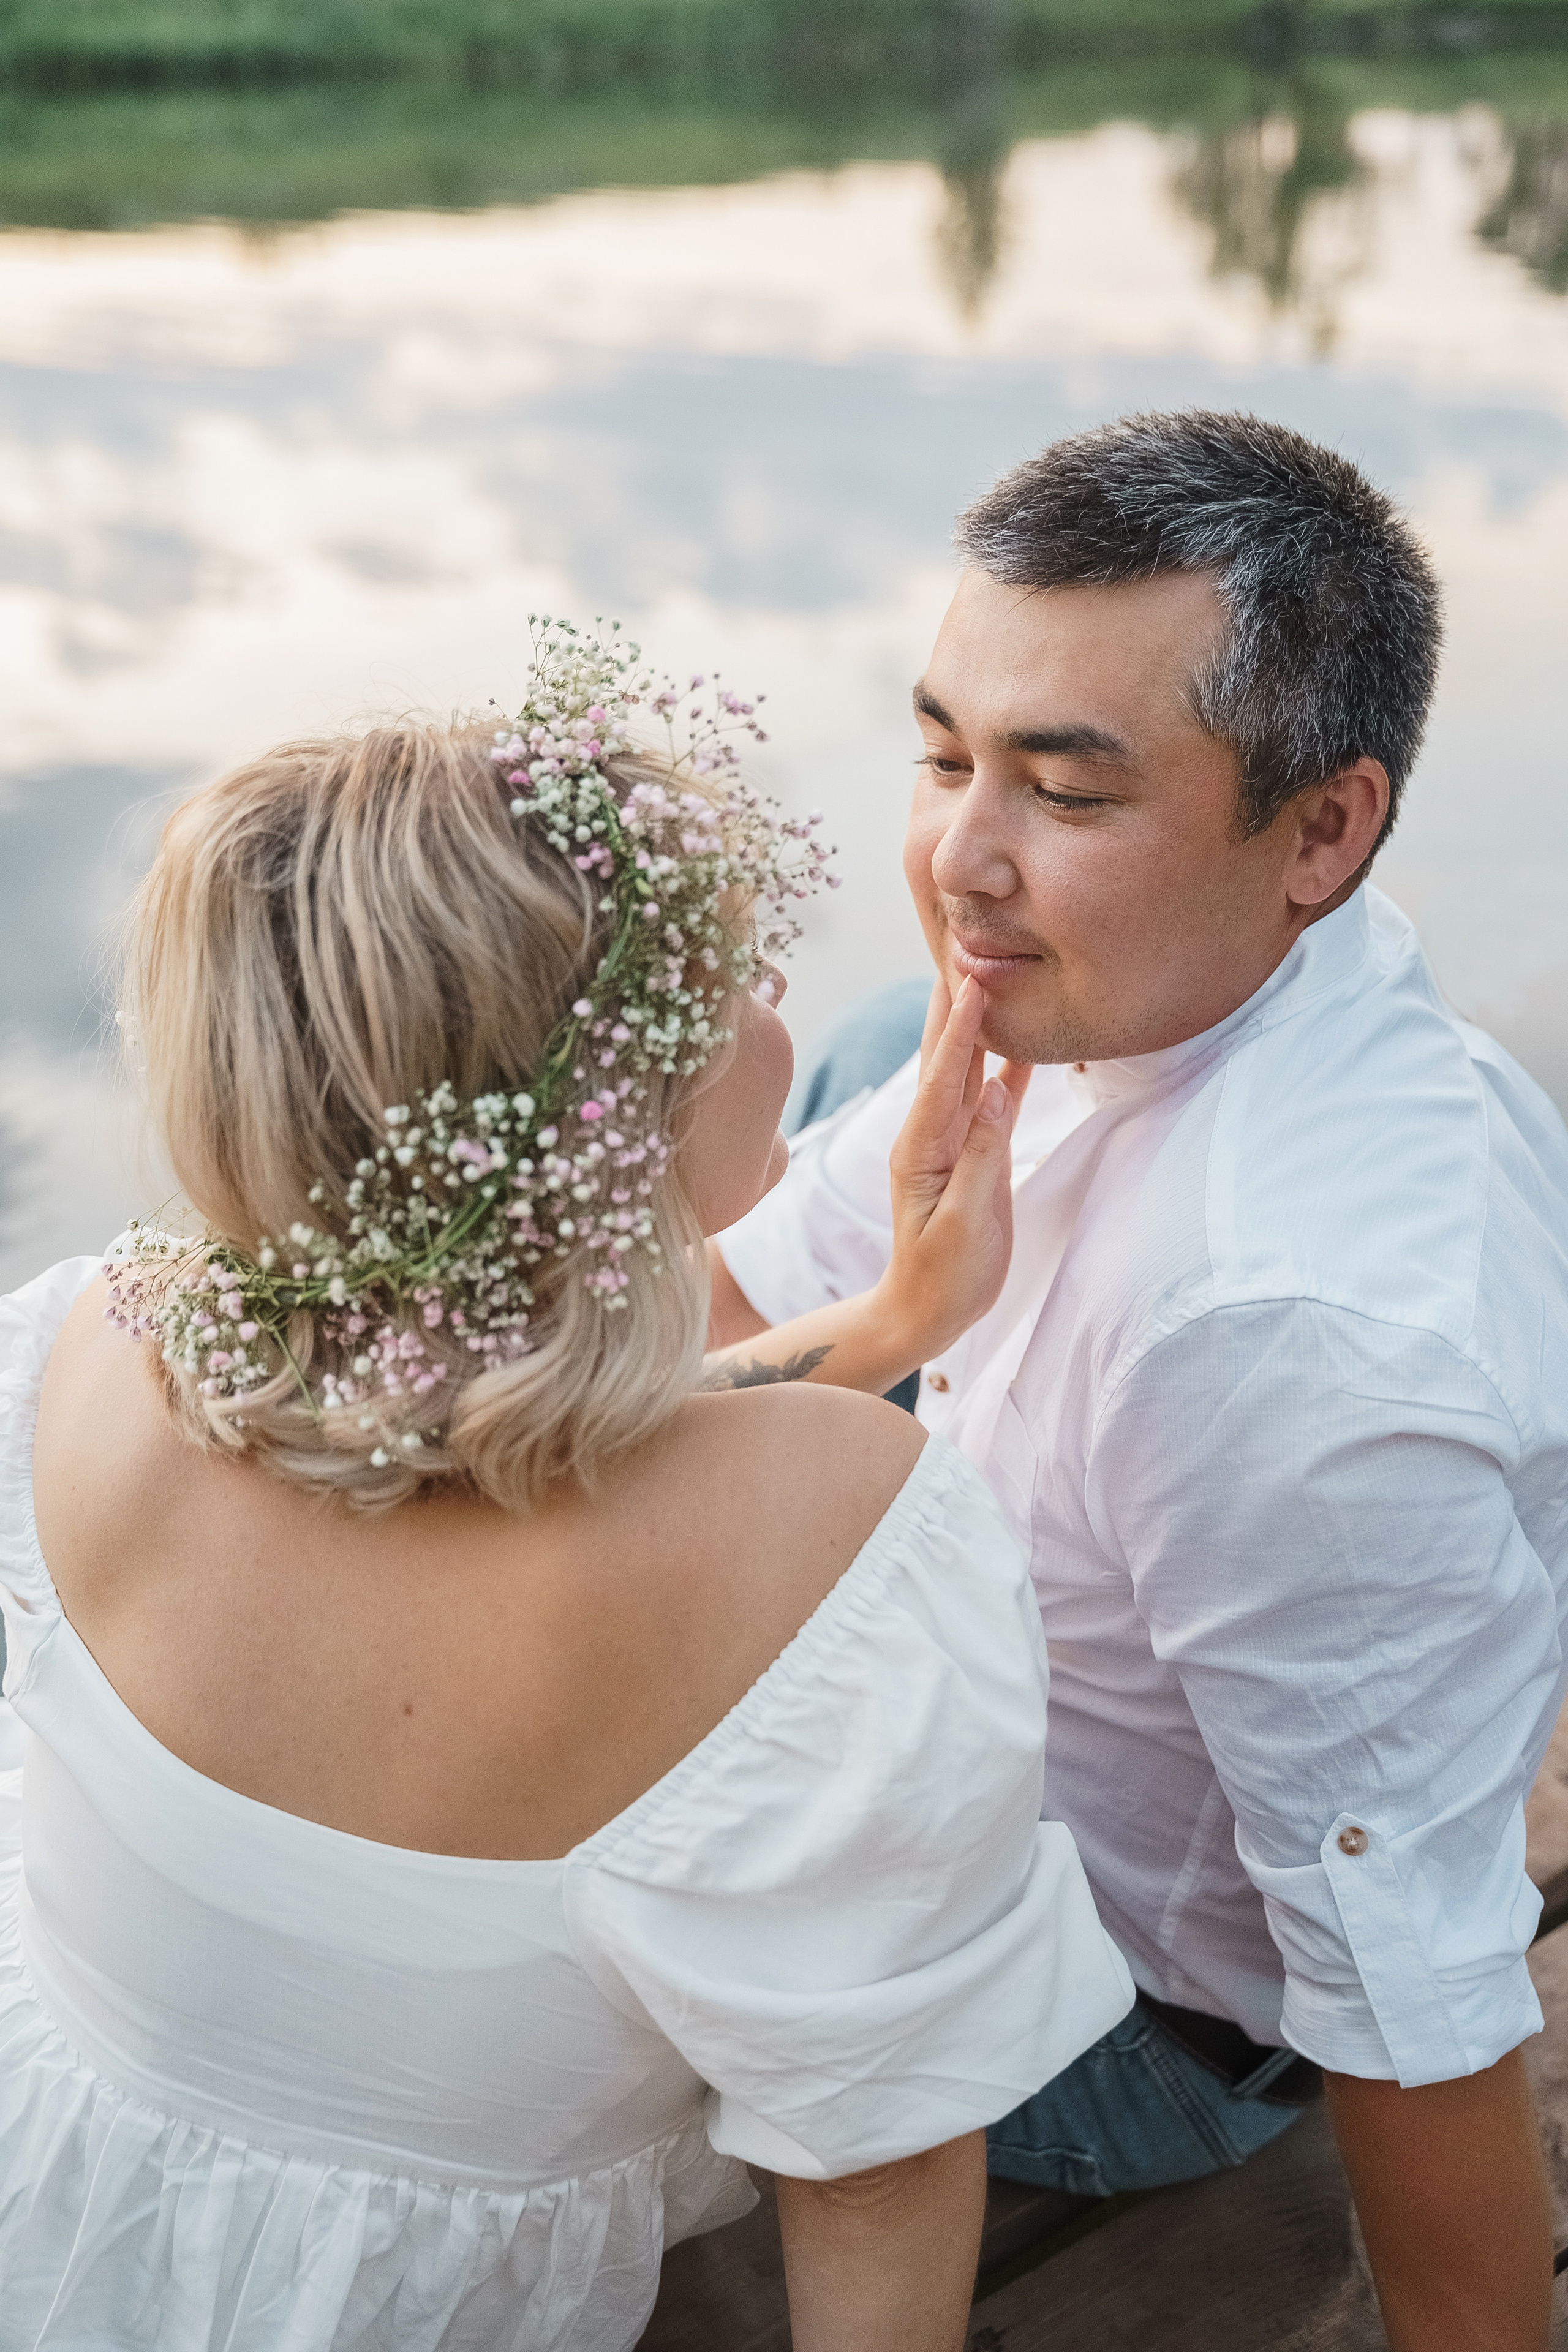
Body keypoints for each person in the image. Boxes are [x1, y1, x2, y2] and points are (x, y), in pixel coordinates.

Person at [0, 628, 1134, 2352]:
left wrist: (896, 1318)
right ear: (597, 1104)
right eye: (742, 983)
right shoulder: (844, 1528)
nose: (785, 1022)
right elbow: (879, 2167)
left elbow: (464, 1459)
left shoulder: (90, 1333)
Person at [709, 413, 1568, 2352]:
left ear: (1323, 832)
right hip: (1050, 1649)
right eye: (945, 757)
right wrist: (886, 1328)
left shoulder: (1285, 1355)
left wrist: (866, 1347)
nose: (954, 861)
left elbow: (1415, 1996)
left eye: (1068, 797)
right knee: (866, 1043)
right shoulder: (1180, 984)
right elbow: (687, 1330)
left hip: (1111, 2038)